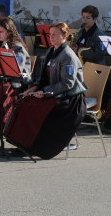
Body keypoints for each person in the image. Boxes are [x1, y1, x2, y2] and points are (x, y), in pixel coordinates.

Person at [10, 22, 86, 159]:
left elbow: (68, 83)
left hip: (69, 98)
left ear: (64, 36)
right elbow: (44, 77)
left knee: (37, 109)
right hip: (54, 92)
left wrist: (45, 92)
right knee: (24, 103)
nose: (51, 37)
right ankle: (23, 144)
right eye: (50, 34)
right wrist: (33, 89)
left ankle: (36, 147)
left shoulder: (68, 56)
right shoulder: (50, 51)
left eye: (55, 34)